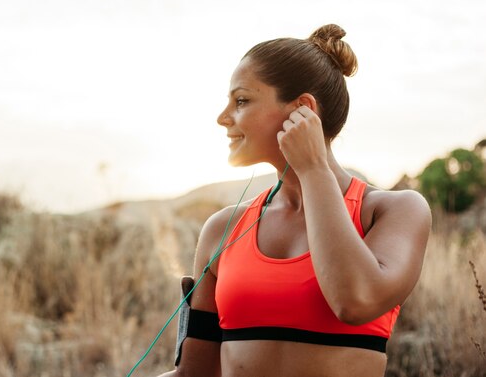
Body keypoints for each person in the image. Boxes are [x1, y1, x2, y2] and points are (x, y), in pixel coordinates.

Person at [157, 24, 431, 377]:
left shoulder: (393, 210)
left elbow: (355, 301)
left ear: (302, 110)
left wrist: (314, 169)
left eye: (241, 101)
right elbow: (194, 374)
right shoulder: (222, 228)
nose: (223, 118)